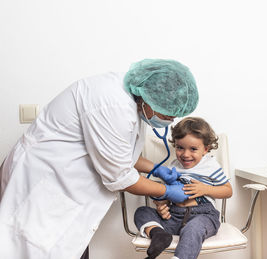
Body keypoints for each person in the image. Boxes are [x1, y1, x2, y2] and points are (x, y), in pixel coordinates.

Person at [0, 59, 198, 259]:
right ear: (151, 100)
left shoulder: (136, 102)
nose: (170, 120)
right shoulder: (112, 104)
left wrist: (155, 169)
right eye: (168, 114)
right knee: (33, 246)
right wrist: (166, 191)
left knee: (67, 246)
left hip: (64, 187)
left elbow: (123, 154)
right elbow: (120, 176)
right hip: (42, 183)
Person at [134, 117, 233, 259]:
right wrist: (163, 205)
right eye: (180, 148)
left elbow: (228, 190)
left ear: (205, 149)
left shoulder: (210, 166)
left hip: (203, 215)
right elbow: (167, 193)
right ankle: (158, 234)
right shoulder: (173, 166)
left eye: (193, 149)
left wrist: (205, 189)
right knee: (142, 211)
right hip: (174, 216)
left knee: (193, 229)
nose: (185, 154)